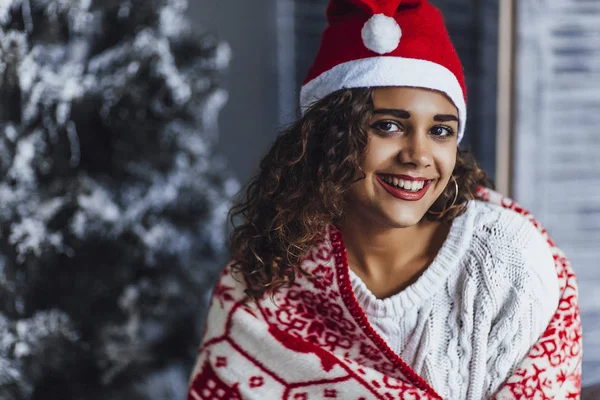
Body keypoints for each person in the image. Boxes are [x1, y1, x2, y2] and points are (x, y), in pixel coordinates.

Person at [187, 0, 582, 399]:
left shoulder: (506, 261)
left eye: (440, 131)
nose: (419, 155)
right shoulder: (265, 273)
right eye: (389, 126)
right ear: (329, 137)